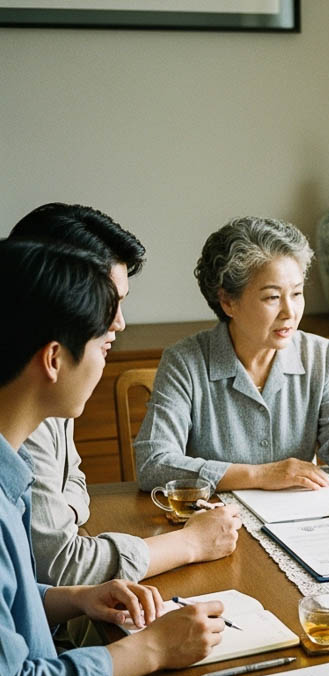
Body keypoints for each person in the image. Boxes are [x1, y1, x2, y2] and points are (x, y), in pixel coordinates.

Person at [0, 239, 234, 676]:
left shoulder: (8, 470)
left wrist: (71, 598)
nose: (108, 360)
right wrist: (154, 648)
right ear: (53, 358)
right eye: (104, 346)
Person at [9, 203, 241, 586]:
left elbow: (75, 483)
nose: (119, 322)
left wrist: (63, 517)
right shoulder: (29, 401)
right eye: (107, 303)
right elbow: (62, 565)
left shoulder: (52, 391)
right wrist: (189, 543)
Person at [134, 216, 329, 493]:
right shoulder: (184, 362)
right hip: (216, 524)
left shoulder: (320, 355)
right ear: (228, 301)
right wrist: (260, 475)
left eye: (296, 294)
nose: (290, 312)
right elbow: (154, 464)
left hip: (298, 524)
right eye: (272, 297)